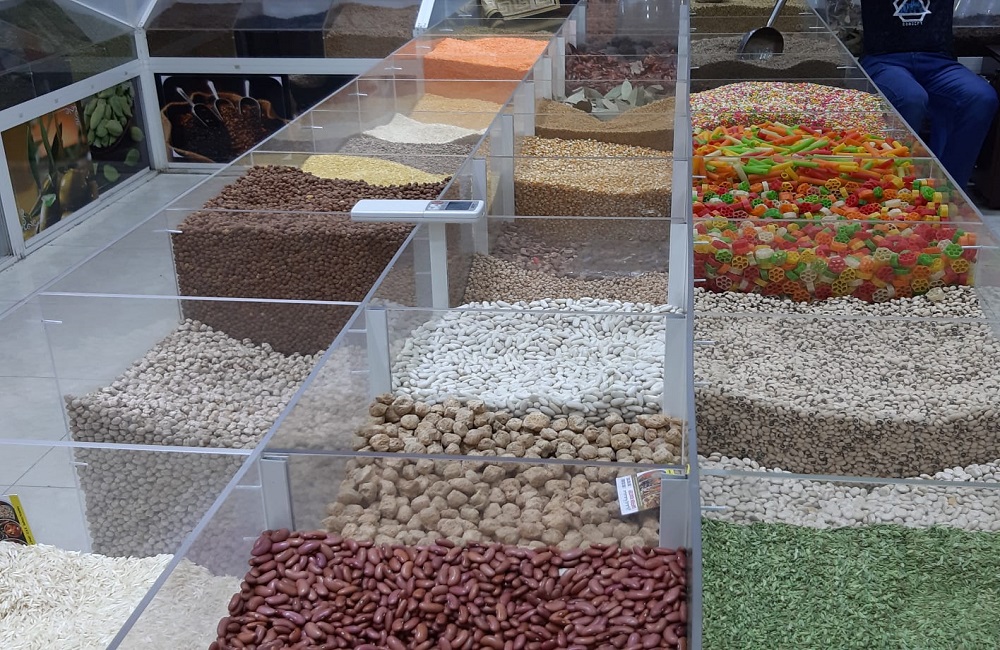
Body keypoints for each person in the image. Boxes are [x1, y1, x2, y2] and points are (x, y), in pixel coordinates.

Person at [859, 0, 998, 189]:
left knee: (981, 97)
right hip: (884, 59)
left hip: (938, 60)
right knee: (910, 98)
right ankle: (896, 187)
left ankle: (948, 189)